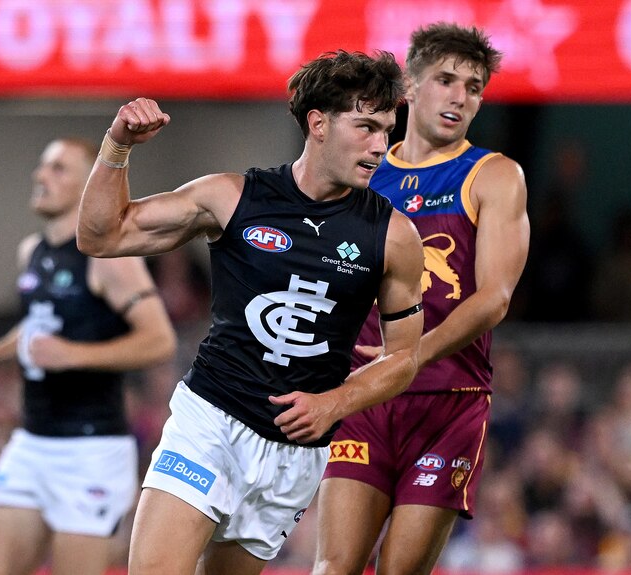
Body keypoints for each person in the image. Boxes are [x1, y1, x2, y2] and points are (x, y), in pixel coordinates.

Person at [76, 49, 425, 575]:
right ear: (318, 124)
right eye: (366, 127)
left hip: (296, 455)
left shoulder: (394, 236)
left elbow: (404, 357)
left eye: (387, 129)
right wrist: (118, 146)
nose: (381, 146)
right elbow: (101, 235)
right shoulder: (232, 197)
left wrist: (335, 402)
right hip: (211, 421)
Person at [313, 23, 530, 575]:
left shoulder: (493, 176)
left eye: (474, 87)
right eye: (446, 79)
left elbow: (494, 298)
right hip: (361, 397)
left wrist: (408, 354)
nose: (460, 96)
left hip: (448, 400)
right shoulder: (361, 174)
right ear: (409, 85)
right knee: (334, 568)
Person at [0, 137, 176, 575]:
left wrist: (73, 354)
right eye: (42, 165)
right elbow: (37, 327)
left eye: (58, 168)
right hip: (32, 440)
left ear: (89, 184)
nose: (41, 176)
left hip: (91, 449)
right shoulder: (32, 251)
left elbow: (159, 340)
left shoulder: (109, 258)